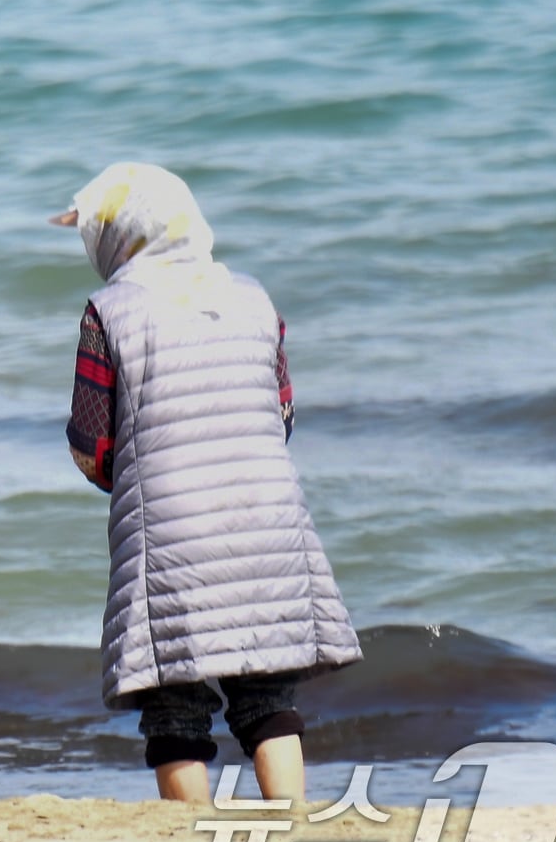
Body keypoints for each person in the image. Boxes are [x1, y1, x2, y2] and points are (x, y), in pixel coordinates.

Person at [53, 162, 361, 803]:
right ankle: (289, 823)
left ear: (119, 237)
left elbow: (92, 444)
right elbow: (282, 414)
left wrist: (129, 476)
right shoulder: (254, 298)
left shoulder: (108, 312)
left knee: (173, 704)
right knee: (267, 694)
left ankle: (191, 841)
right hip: (266, 520)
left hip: (170, 532)